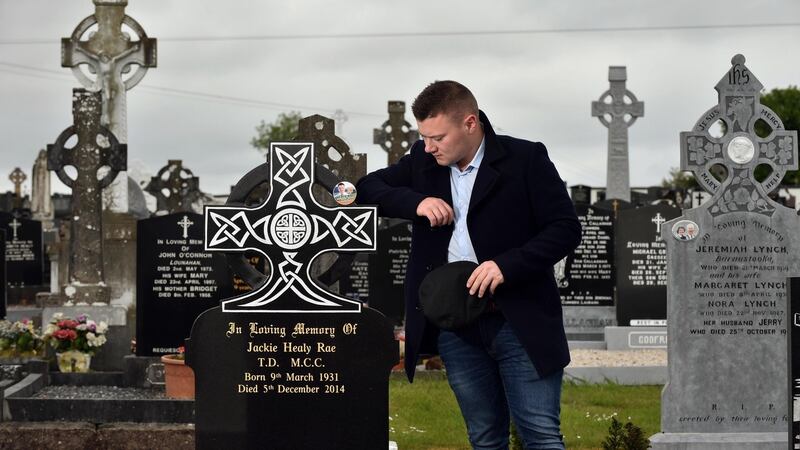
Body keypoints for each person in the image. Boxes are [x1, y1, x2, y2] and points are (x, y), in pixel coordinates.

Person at [356, 81, 581, 449]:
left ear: (470, 124)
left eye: (438, 137)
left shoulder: (525, 159)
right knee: (484, 438)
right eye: (424, 137)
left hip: (519, 319)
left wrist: (507, 265)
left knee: (540, 435)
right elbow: (367, 187)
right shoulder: (423, 160)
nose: (429, 147)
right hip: (456, 325)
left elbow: (565, 229)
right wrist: (415, 203)